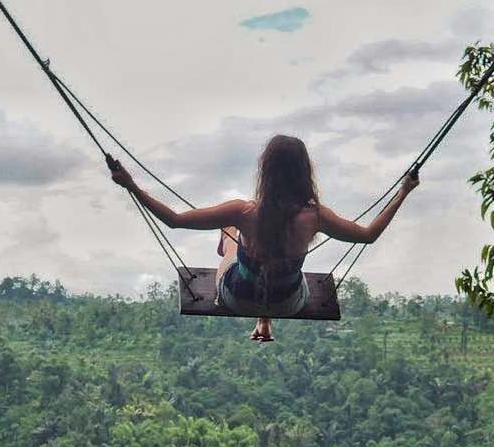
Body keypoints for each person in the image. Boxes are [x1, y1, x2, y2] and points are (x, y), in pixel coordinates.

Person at [107, 134, 419, 341]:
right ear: (303, 173)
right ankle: (265, 320)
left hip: (237, 296)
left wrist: (131, 185)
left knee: (230, 235)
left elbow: (173, 221)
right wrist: (404, 191)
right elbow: (368, 235)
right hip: (289, 302)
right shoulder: (316, 217)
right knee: (276, 268)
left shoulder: (243, 212)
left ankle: (247, 283)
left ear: (265, 172)